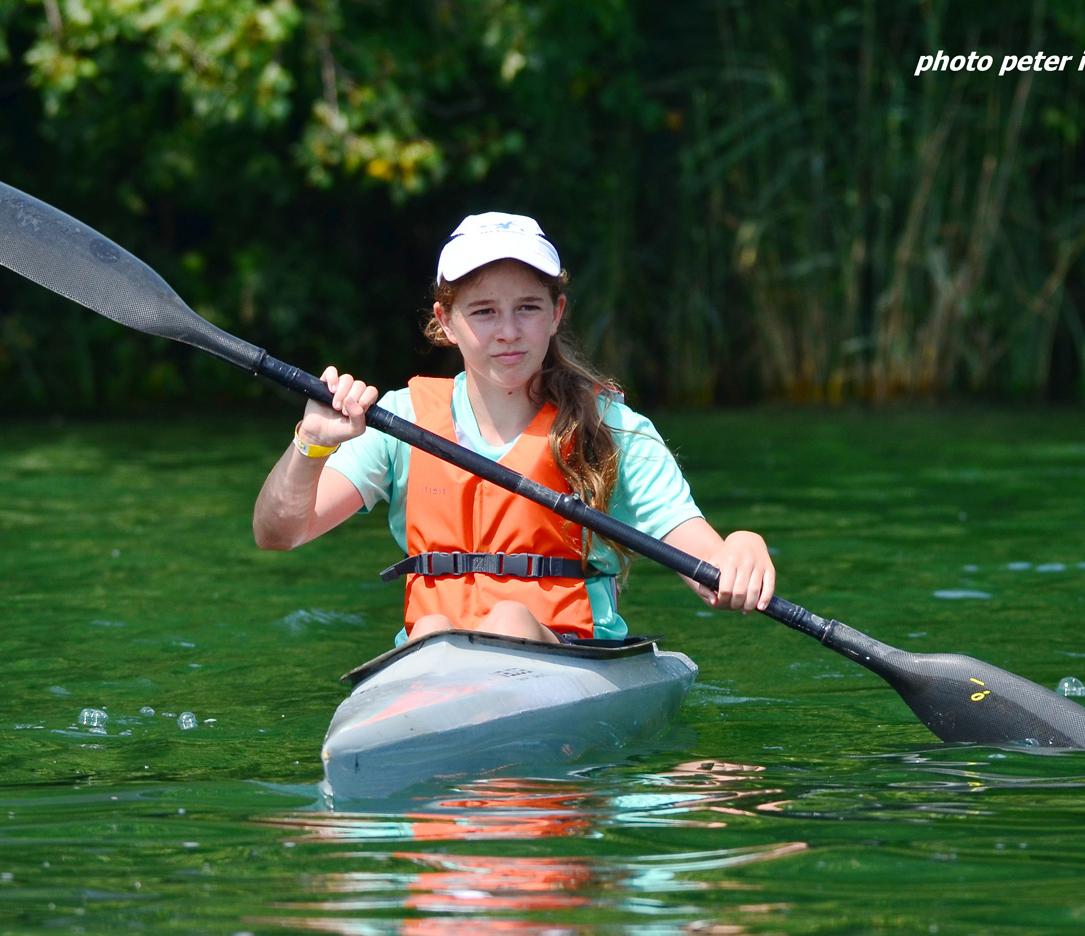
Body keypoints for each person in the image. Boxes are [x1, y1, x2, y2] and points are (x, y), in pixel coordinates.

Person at [252, 212, 774, 645]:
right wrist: (310, 447)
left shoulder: (609, 427)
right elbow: (278, 533)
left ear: (556, 313)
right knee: (433, 628)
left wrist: (743, 547)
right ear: (446, 321)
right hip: (431, 667)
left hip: (569, 662)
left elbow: (708, 566)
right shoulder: (401, 420)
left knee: (508, 621)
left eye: (527, 307)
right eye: (483, 311)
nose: (508, 332)